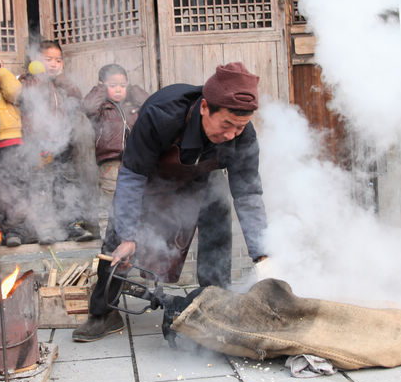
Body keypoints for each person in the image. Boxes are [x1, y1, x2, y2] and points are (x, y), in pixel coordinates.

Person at [73, 62, 269, 342]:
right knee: (119, 237)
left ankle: (215, 306)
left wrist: (262, 254)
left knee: (219, 207)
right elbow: (132, 174)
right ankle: (103, 313)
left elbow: (248, 193)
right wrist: (128, 235)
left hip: (202, 179)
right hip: (152, 177)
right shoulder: (161, 113)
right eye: (226, 124)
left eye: (239, 127)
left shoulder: (243, 135)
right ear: (204, 107)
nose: (231, 135)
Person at [19, 40, 99, 244]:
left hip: (63, 143)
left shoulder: (64, 84)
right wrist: (38, 76)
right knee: (42, 184)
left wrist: (61, 79)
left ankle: (73, 224)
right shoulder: (29, 80)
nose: (54, 64)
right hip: (39, 145)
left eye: (58, 60)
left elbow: (77, 100)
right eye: (48, 60)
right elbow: (22, 97)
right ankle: (45, 228)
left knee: (67, 184)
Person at [81, 63, 149, 210]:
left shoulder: (133, 106)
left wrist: (132, 89)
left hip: (133, 163)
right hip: (111, 165)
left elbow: (149, 104)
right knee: (109, 205)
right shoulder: (102, 108)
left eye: (122, 85)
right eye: (113, 85)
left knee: (133, 203)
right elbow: (88, 107)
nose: (118, 89)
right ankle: (107, 232)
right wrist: (100, 88)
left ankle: (130, 233)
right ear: (103, 86)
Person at [0, 56, 28, 247]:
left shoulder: (8, 86)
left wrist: (3, 72)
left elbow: (15, 92)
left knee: (15, 189)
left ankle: (15, 231)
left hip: (14, 142)